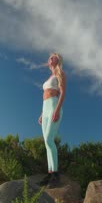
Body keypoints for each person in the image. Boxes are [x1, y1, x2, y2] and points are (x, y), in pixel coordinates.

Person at [38, 53, 66, 188]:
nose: (50, 58)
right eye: (49, 57)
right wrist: (42, 113)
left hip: (55, 106)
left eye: (53, 57)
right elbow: (45, 97)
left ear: (58, 60)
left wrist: (57, 110)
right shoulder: (49, 77)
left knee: (49, 140)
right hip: (46, 108)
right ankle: (49, 173)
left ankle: (56, 175)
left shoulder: (60, 73)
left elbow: (63, 92)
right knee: (46, 143)